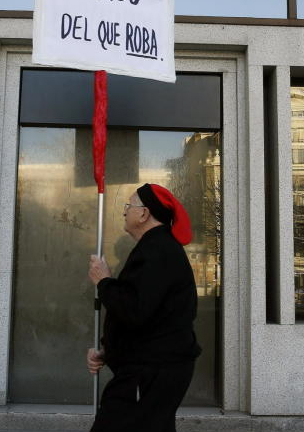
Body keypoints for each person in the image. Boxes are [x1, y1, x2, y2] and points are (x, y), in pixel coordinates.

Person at [86, 183, 201, 432]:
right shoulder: (156, 248)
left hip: (150, 371)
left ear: (144, 213)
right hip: (152, 367)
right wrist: (109, 351)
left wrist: (104, 281)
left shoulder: (158, 251)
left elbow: (134, 310)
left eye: (129, 205)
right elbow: (150, 317)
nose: (124, 211)